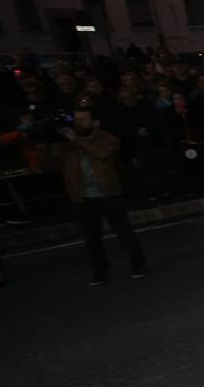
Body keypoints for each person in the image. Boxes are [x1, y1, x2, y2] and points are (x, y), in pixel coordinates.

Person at [62, 106, 147, 286]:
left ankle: (139, 264)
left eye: (83, 119)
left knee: (124, 232)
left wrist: (75, 139)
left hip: (108, 194)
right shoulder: (68, 143)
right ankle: (100, 271)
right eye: (76, 119)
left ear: (95, 123)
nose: (78, 123)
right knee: (92, 238)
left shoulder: (108, 139)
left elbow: (101, 153)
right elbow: (50, 164)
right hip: (82, 197)